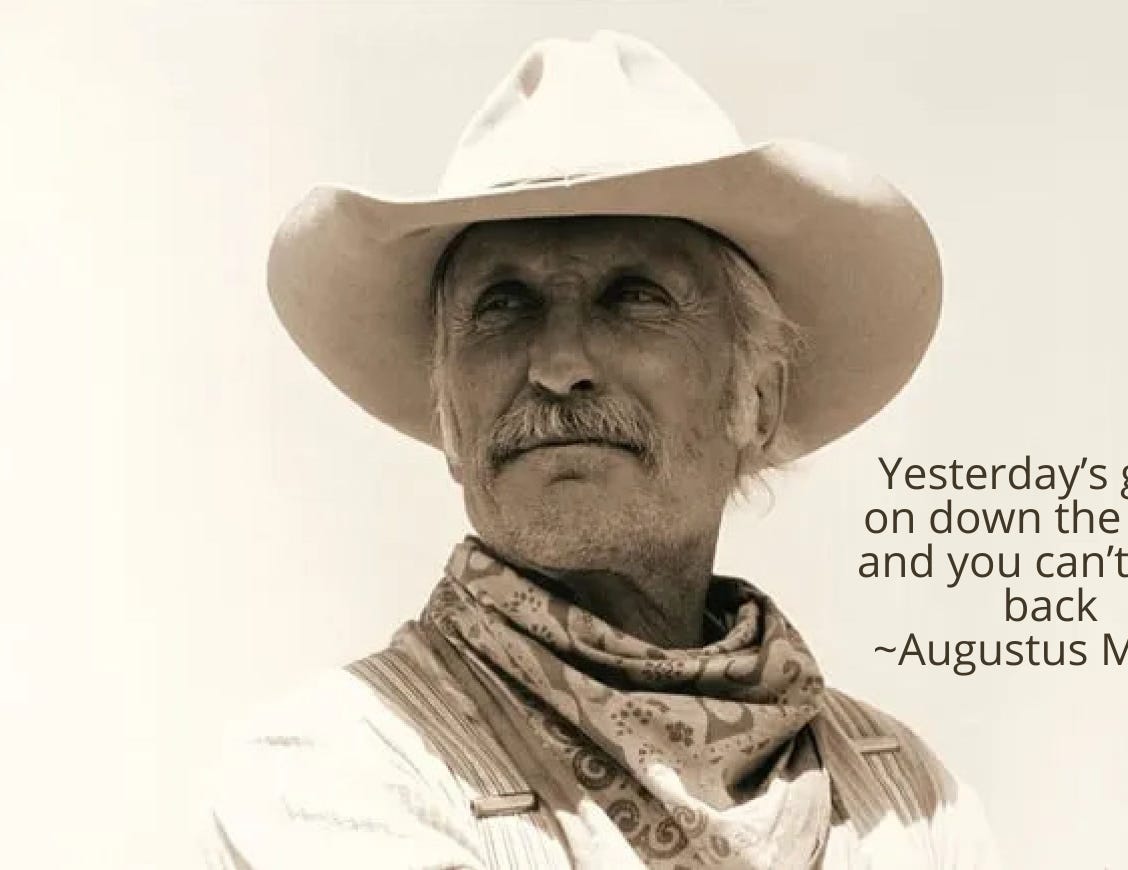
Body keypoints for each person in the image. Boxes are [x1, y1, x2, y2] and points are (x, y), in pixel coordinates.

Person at [201, 31, 1001, 869]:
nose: (558, 366)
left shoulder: (904, 796)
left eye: (633, 298)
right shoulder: (339, 765)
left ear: (755, 398)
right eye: (504, 304)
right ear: (450, 412)